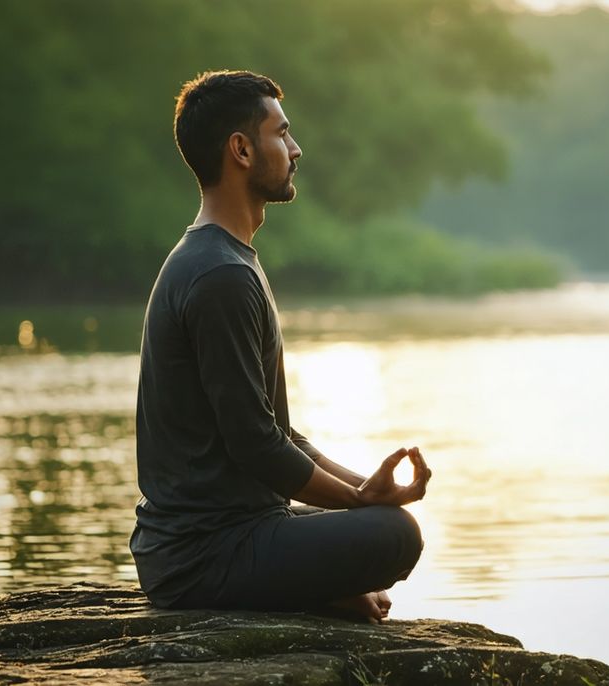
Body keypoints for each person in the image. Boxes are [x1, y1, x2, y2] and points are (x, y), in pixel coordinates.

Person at [129, 70, 431, 624]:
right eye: (282, 134)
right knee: (393, 535)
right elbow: (258, 447)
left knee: (378, 522)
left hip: (228, 535)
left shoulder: (227, 259)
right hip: (200, 556)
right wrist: (362, 505)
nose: (296, 148)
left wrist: (362, 487)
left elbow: (278, 433)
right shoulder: (219, 276)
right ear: (241, 150)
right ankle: (311, 594)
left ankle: (315, 589)